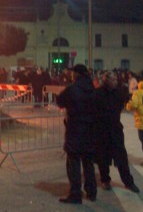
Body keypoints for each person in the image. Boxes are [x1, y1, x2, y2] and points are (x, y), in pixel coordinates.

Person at [56, 64, 97, 204]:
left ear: (76, 74)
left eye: (72, 72)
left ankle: (75, 194)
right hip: (90, 130)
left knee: (73, 162)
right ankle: (91, 192)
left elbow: (59, 101)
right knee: (88, 162)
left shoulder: (72, 89)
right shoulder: (93, 89)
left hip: (75, 129)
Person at [95, 70, 140, 193]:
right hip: (102, 130)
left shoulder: (119, 93)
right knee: (103, 157)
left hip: (115, 129)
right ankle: (105, 180)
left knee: (121, 157)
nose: (115, 82)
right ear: (106, 81)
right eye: (112, 80)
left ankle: (128, 182)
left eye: (115, 79)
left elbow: (122, 104)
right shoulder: (98, 93)